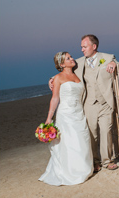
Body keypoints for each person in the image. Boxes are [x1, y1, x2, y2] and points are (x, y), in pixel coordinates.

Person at [49, 34, 119, 172]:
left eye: (84, 46)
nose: (82, 49)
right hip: (89, 104)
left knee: (106, 131)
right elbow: (64, 72)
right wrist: (51, 79)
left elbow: (118, 63)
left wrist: (114, 63)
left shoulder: (107, 57)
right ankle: (95, 162)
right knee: (91, 134)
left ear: (94, 46)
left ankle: (108, 161)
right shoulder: (79, 62)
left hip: (105, 102)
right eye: (81, 46)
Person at [39, 52, 93, 185]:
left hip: (79, 112)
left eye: (71, 56)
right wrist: (49, 117)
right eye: (68, 58)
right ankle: (71, 171)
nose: (72, 59)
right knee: (70, 141)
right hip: (66, 114)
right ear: (62, 64)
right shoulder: (57, 78)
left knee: (82, 139)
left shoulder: (77, 73)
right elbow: (55, 98)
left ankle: (84, 168)